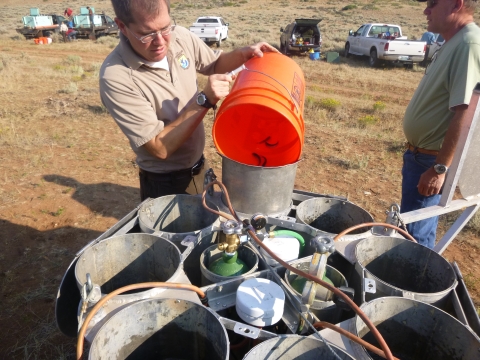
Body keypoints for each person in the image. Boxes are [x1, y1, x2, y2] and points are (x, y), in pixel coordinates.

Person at [100, 0, 278, 201]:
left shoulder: (179, 37)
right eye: (147, 34)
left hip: (200, 167)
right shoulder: (116, 77)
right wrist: (204, 100)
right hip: (165, 183)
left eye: (165, 28)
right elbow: (159, 147)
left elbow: (215, 63)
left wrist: (243, 54)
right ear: (122, 26)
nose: (161, 41)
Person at [401, 0, 480, 248]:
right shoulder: (453, 42)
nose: (426, 11)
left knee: (416, 236)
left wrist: (439, 169)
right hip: (420, 157)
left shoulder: (468, 43)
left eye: (432, 3)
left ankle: (415, 285)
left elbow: (465, 113)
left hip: (430, 161)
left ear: (456, 4)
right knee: (411, 229)